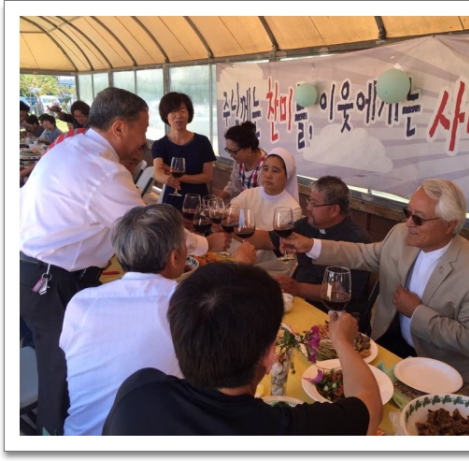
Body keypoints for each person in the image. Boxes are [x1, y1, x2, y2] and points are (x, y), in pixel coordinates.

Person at [20, 86, 230, 435]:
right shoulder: (103, 170)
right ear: (119, 127)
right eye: (142, 129)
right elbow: (149, 230)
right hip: (51, 282)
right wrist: (207, 243)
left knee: (63, 363)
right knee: (61, 374)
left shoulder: (72, 146)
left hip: (32, 270)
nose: (144, 140)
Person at [281, 178, 469, 408]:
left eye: (418, 218)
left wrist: (416, 312)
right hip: (394, 343)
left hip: (445, 368)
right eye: (407, 213)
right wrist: (311, 245)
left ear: (449, 225)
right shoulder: (401, 236)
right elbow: (364, 254)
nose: (409, 222)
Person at [102, 262, 382, 435]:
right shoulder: (286, 431)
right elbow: (369, 405)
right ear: (270, 355)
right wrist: (342, 341)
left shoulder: (138, 392)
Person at [59, 204, 256, 436]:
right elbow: (235, 320)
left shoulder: (81, 303)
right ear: (175, 257)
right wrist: (242, 267)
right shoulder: (183, 305)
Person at [248, 176, 374, 334]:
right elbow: (268, 240)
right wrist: (234, 229)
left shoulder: (357, 240)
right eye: (309, 201)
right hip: (299, 302)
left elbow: (340, 291)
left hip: (336, 318)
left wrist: (298, 288)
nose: (308, 207)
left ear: (334, 210)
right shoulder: (307, 224)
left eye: (314, 203)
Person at [230, 148, 302, 265]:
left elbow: (271, 241)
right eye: (265, 168)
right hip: (238, 256)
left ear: (286, 176)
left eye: (275, 171)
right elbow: (230, 214)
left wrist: (239, 224)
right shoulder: (248, 194)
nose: (268, 175)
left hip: (269, 265)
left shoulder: (292, 209)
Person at [152, 92, 216, 212]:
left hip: (198, 201)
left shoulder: (202, 142)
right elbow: (157, 172)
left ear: (189, 113)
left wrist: (180, 177)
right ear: (166, 116)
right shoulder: (160, 145)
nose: (178, 116)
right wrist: (166, 179)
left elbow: (208, 176)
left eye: (182, 110)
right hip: (172, 201)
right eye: (173, 112)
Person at [218, 121, 267, 201]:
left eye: (234, 151)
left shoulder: (265, 166)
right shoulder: (239, 161)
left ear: (248, 148)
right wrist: (218, 199)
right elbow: (234, 185)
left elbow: (264, 197)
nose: (231, 155)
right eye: (228, 150)